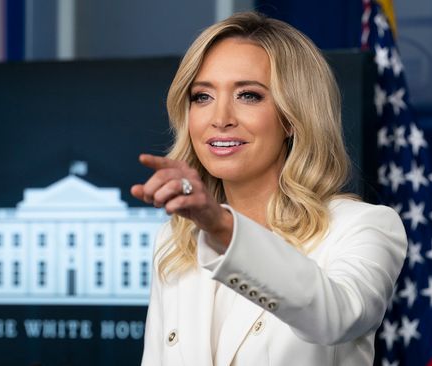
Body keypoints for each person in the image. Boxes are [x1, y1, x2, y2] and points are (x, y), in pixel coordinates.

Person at [131, 12, 407, 366]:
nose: (220, 118)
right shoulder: (175, 240)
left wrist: (223, 229)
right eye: (202, 96)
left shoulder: (363, 226)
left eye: (248, 95)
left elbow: (337, 317)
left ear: (293, 117)